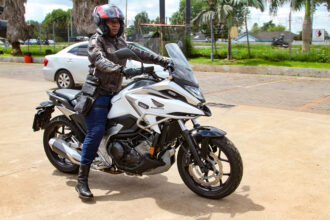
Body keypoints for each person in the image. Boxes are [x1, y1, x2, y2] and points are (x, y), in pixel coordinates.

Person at [75, 4, 172, 200]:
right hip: (97, 94)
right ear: (101, 23)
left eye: (118, 22)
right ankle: (82, 180)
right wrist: (120, 70)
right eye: (111, 22)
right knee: (96, 132)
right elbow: (99, 60)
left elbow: (139, 52)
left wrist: (163, 61)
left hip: (115, 91)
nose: (116, 25)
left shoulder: (119, 41)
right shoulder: (96, 41)